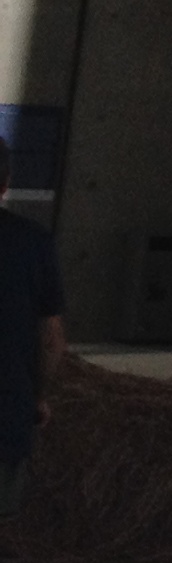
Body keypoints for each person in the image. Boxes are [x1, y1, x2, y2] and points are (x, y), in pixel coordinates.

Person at [0, 136, 65, 521]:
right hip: (8, 408)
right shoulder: (35, 242)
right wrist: (38, 396)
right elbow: (51, 339)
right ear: (6, 183)